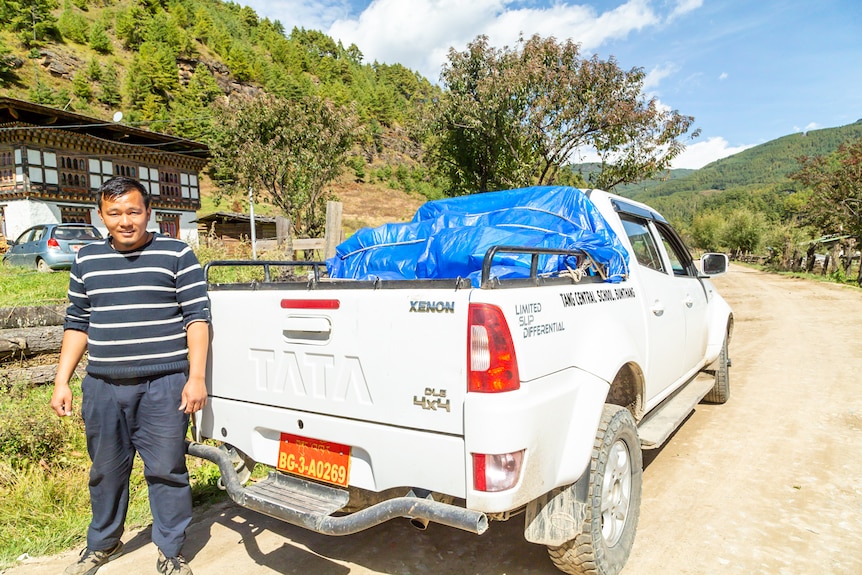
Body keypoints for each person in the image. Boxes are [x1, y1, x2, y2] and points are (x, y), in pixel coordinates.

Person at [51, 176, 210, 575]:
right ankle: (102, 544)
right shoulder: (86, 259)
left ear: (148, 213)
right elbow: (78, 321)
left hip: (165, 384)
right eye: (115, 213)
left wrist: (196, 377)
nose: (126, 221)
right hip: (103, 384)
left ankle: (171, 550)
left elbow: (197, 318)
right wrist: (61, 380)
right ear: (101, 215)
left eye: (134, 212)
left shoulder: (177, 254)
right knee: (105, 469)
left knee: (166, 468)